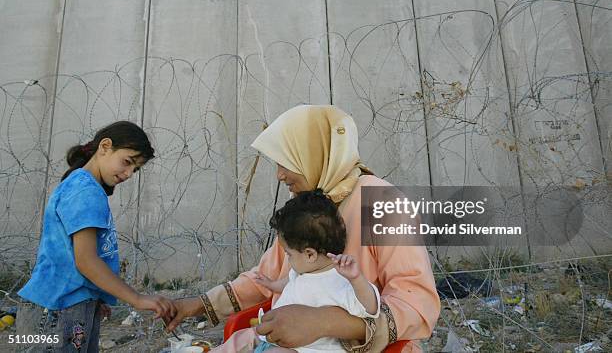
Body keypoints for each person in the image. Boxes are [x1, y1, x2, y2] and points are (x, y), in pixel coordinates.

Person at [168, 105, 440, 352]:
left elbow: (416, 301)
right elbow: (265, 278)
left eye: (287, 161)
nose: (280, 175)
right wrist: (198, 305)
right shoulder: (306, 207)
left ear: (313, 152)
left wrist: (326, 321)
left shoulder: (384, 202)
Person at [16, 121, 176, 352]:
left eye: (136, 169)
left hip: (68, 306)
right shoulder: (86, 191)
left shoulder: (83, 186)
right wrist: (138, 299)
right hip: (56, 312)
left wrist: (94, 296)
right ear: (105, 146)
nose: (129, 174)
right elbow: (86, 260)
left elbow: (70, 257)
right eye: (128, 162)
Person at [252, 189, 380, 353]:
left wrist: (357, 279)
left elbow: (370, 308)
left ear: (310, 254)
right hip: (278, 343)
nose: (288, 259)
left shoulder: (339, 281)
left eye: (289, 254)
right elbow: (289, 283)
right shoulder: (302, 271)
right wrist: (272, 285)